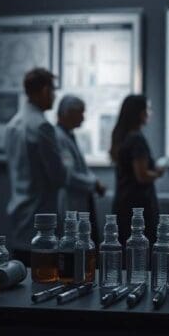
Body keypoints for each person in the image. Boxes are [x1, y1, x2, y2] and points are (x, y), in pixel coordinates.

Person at [4, 68, 68, 265]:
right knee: (43, 280)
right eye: (53, 90)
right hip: (41, 217)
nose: (55, 96)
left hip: (18, 211)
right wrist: (65, 162)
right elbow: (58, 177)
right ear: (44, 90)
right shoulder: (42, 126)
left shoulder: (13, 124)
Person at [110, 94, 163, 245]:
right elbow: (142, 175)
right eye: (148, 109)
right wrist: (158, 173)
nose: (149, 113)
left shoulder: (121, 137)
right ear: (140, 113)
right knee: (142, 250)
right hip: (139, 206)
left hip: (123, 202)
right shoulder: (136, 139)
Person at [55, 95, 105, 243]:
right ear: (67, 113)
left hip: (79, 199)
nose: (83, 117)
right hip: (71, 200)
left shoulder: (69, 135)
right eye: (80, 112)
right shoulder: (59, 137)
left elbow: (80, 168)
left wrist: (93, 181)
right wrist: (94, 184)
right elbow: (69, 175)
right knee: (75, 244)